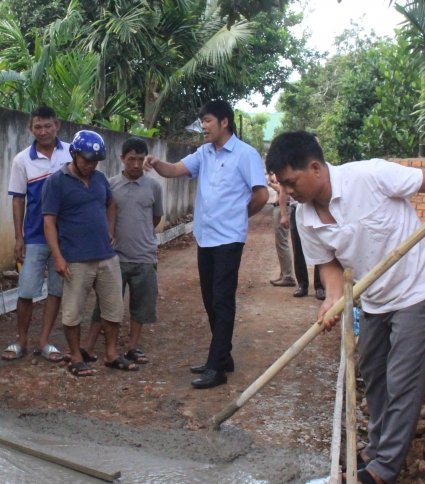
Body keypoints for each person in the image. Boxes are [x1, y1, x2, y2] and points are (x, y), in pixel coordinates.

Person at [266, 130, 425, 484]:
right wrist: (332, 299)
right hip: (373, 297)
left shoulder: (369, 176)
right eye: (283, 186)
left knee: (402, 380)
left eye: (291, 182)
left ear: (315, 168)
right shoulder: (305, 217)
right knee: (373, 372)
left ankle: (385, 468)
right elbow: (329, 266)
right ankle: (378, 447)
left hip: (416, 288)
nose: (288, 193)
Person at [144, 100, 269, 389]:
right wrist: (156, 163)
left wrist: (239, 216)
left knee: (222, 301)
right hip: (206, 236)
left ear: (225, 122)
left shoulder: (245, 154)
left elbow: (261, 195)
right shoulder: (204, 153)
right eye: (202, 121)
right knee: (210, 300)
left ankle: (217, 368)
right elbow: (175, 170)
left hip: (228, 238)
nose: (204, 126)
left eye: (208, 121)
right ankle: (222, 357)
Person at [43, 130, 138, 377]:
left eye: (95, 161)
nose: (90, 165)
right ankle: (76, 356)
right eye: (86, 160)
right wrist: (58, 257)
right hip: (75, 259)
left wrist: (109, 229)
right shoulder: (56, 181)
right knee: (72, 311)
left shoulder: (99, 179)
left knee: (113, 308)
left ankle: (111, 353)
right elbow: (49, 222)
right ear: (73, 155)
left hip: (106, 256)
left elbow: (110, 203)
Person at [85, 137, 164, 365]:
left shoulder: (154, 187)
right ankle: (88, 347)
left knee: (140, 306)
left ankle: (133, 347)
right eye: (131, 160)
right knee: (106, 304)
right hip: (114, 257)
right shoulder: (109, 185)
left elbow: (156, 217)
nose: (136, 165)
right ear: (122, 159)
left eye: (141, 160)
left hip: (144, 257)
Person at [4, 105, 72, 362]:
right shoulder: (22, 160)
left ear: (58, 125)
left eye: (47, 126)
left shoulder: (71, 154)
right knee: (26, 290)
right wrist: (18, 237)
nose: (43, 132)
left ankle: (43, 341)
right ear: (30, 129)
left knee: (56, 290)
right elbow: (18, 200)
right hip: (33, 236)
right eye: (37, 127)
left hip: (65, 238)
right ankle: (21, 340)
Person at [284, 182, 325, 300]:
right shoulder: (289, 175)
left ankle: (320, 286)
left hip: (315, 209)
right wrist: (283, 213)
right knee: (298, 248)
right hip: (296, 210)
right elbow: (283, 191)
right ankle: (302, 285)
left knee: (320, 247)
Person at [266, 173, 295, 287]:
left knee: (282, 242)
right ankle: (285, 274)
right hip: (280, 207)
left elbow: (282, 189)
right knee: (280, 243)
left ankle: (288, 275)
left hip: (284, 207)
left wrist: (269, 183)